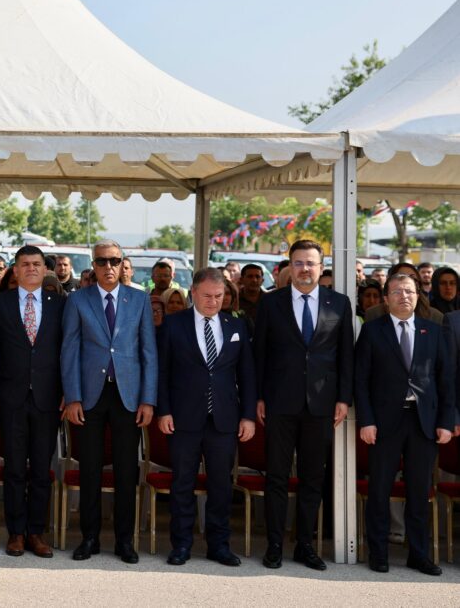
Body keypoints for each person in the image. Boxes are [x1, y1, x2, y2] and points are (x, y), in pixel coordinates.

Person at [252, 239, 354, 571]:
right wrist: (258, 397)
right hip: (279, 403)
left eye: (310, 263)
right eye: (298, 263)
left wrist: (343, 398)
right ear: (289, 268)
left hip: (321, 404)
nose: (304, 269)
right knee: (277, 476)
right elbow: (259, 354)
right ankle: (275, 545)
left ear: (321, 268)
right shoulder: (271, 303)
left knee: (313, 478)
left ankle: (305, 545)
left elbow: (346, 356)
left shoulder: (339, 303)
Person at [61, 240, 157, 564]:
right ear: (93, 265)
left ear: (122, 263)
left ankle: (124, 541)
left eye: (114, 260)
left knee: (126, 470)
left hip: (128, 396)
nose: (108, 267)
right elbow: (69, 350)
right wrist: (72, 397)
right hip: (90, 395)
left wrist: (148, 399)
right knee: (89, 468)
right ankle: (89, 538)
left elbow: (148, 352)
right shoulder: (78, 300)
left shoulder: (139, 299)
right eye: (102, 261)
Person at [156, 268, 256, 567]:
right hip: (183, 417)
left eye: (219, 296)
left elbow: (247, 374)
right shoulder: (173, 324)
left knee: (221, 485)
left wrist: (248, 416)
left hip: (224, 419)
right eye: (207, 296)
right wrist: (164, 410)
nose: (213, 302)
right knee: (182, 483)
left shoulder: (236, 325)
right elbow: (162, 372)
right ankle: (181, 545)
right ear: (193, 293)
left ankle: (219, 545)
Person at [355, 273, 454, 576]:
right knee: (380, 489)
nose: (404, 296)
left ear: (418, 296)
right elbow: (361, 381)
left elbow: (446, 380)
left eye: (409, 291)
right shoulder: (372, 330)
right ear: (386, 299)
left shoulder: (433, 331)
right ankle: (378, 553)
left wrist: (446, 421)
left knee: (419, 491)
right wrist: (367, 421)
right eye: (397, 292)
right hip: (385, 422)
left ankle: (419, 554)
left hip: (423, 422)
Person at [0, 245, 64, 558]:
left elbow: (67, 351)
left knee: (41, 470)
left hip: (48, 398)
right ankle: (16, 533)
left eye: (36, 264)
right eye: (25, 264)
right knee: (15, 468)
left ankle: (36, 533)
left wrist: (68, 391)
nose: (31, 268)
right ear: (14, 270)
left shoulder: (60, 304)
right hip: (11, 397)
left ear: (45, 269)